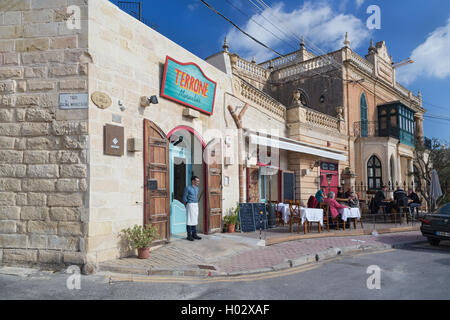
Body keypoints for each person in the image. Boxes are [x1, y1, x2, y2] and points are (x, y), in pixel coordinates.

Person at [182, 176, 201, 241]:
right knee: (189, 220)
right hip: (190, 205)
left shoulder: (197, 188)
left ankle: (194, 234)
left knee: (194, 219)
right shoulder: (188, 188)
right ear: (193, 181)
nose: (198, 182)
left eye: (198, 181)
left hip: (195, 204)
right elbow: (184, 197)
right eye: (197, 181)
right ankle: (189, 235)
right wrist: (186, 204)